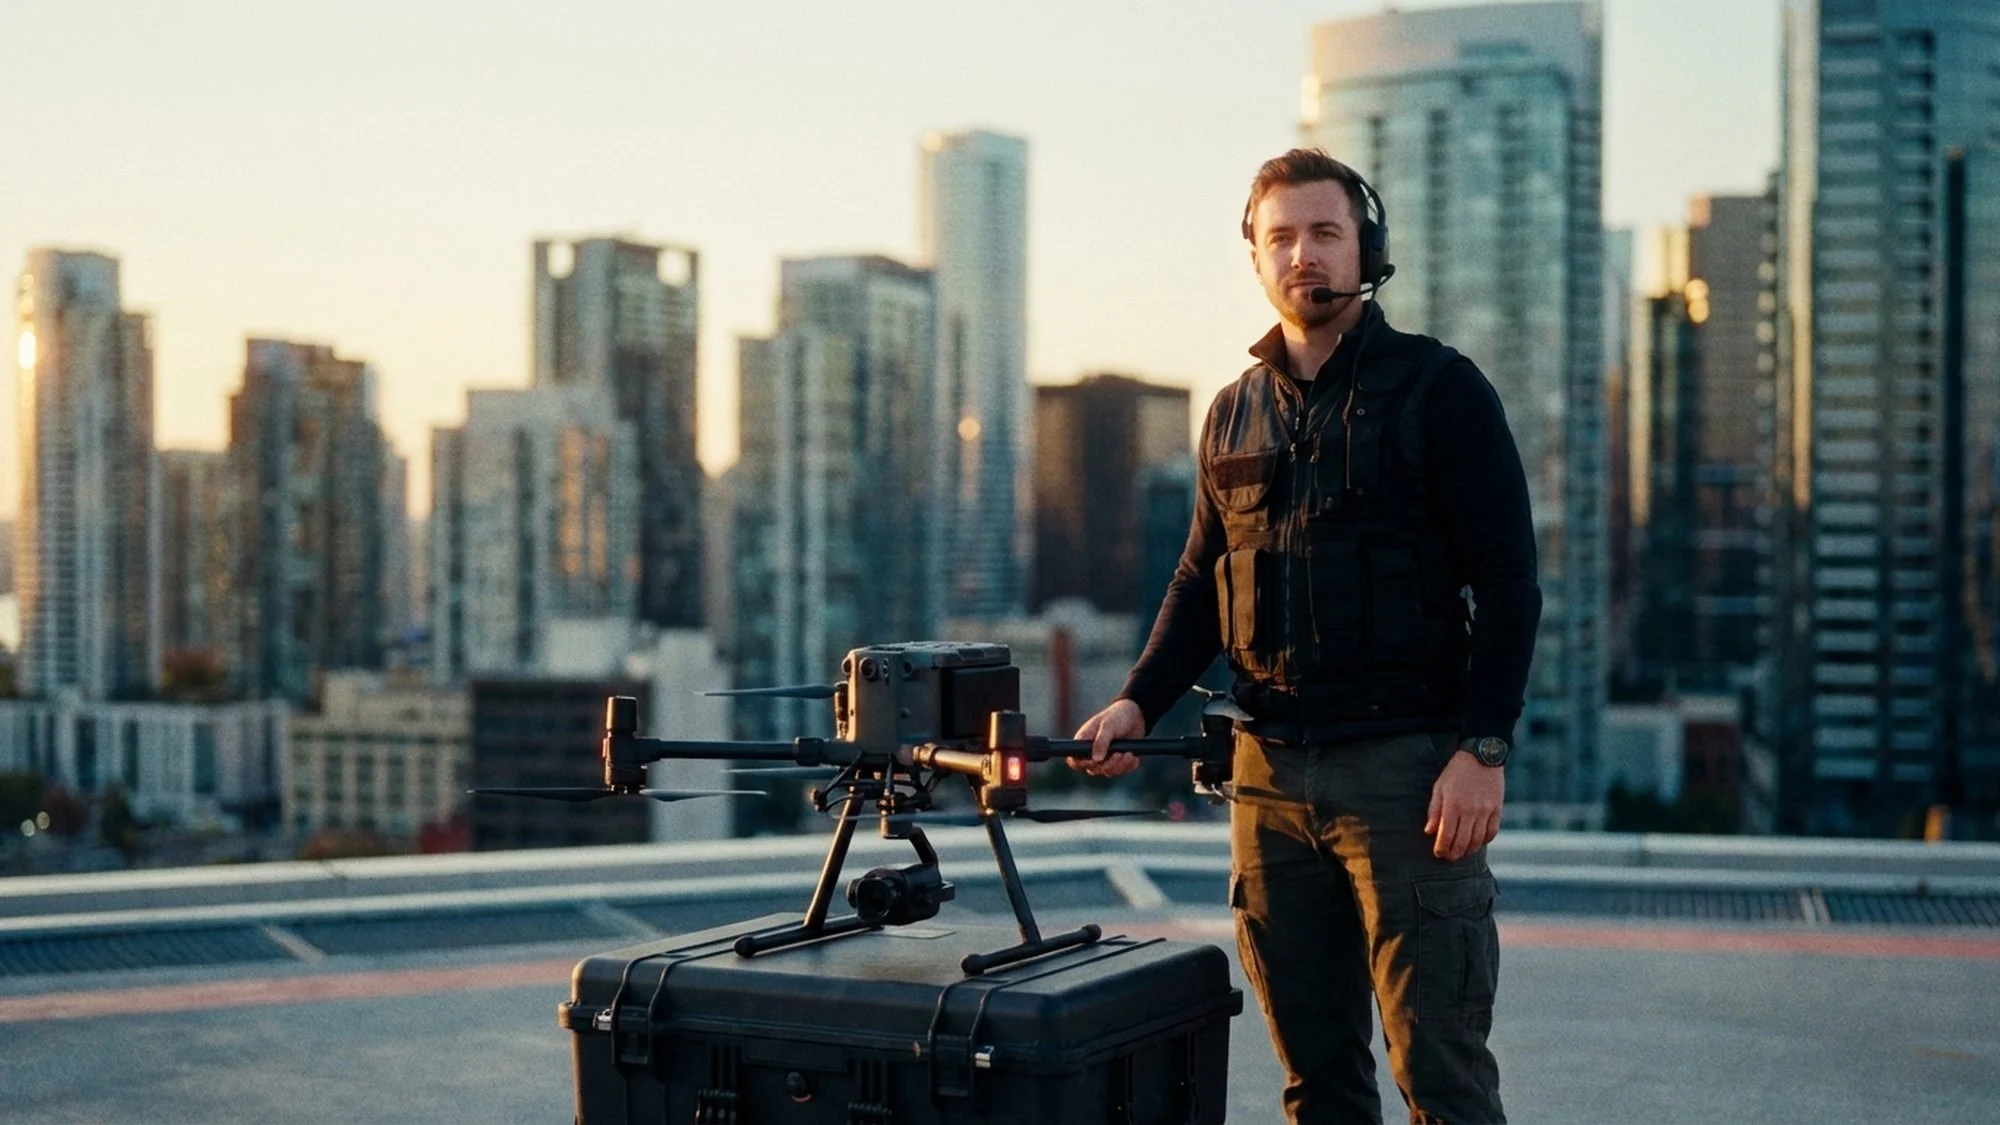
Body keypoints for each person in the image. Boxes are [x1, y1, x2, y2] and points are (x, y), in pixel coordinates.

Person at [1073, 148, 1540, 1124]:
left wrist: (1481, 749)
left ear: (1363, 247)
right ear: (1254, 256)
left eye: (1323, 233)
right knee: (1314, 1080)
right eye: (1280, 237)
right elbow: (1199, 580)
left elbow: (1507, 583)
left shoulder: (1438, 389)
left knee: (1440, 1076)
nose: (1302, 255)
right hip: (1267, 777)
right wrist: (1134, 699)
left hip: (1407, 776)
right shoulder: (1231, 414)